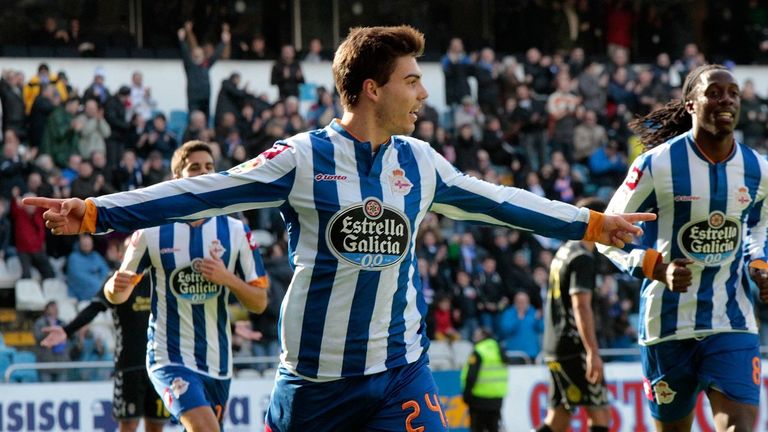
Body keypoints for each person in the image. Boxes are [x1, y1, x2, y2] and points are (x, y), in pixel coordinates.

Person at [26, 26, 654, 432]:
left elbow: (502, 203)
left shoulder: (421, 162)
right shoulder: (300, 158)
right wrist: (98, 211)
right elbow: (200, 191)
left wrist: (592, 222)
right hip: (315, 380)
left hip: (400, 369)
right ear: (373, 89)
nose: (422, 95)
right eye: (412, 81)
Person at [598, 64, 768, 432]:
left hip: (732, 321)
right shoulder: (656, 165)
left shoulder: (758, 168)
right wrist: (654, 267)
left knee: (740, 425)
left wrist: (760, 263)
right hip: (667, 326)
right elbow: (606, 233)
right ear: (691, 104)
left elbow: (759, 224)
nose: (726, 100)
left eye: (733, 93)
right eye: (714, 92)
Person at [101, 140, 268, 431]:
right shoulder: (151, 232)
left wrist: (227, 279)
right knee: (204, 428)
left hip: (218, 361)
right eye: (195, 168)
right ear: (177, 178)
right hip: (169, 356)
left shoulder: (235, 230)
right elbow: (117, 294)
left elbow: (259, 301)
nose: (204, 172)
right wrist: (115, 287)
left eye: (209, 167)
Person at [41, 249, 170, 431]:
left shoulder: (159, 278)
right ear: (120, 255)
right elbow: (94, 308)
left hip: (159, 365)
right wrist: (67, 330)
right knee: (129, 424)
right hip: (129, 365)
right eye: (129, 250)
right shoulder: (116, 280)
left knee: (156, 426)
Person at [537, 197, 611, 432]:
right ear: (597, 220)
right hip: (574, 347)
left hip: (554, 345)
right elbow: (580, 306)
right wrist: (592, 352)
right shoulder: (582, 258)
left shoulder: (564, 252)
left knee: (559, 418)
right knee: (600, 416)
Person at [460, 327, 508, 432]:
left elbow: (471, 376)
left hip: (479, 398)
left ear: (482, 336)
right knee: (493, 428)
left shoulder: (478, 351)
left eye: (476, 335)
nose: (474, 338)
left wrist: (466, 395)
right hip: (497, 398)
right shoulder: (498, 349)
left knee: (477, 428)